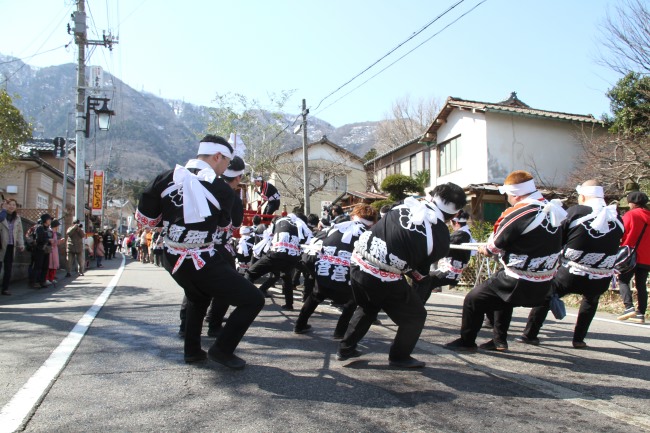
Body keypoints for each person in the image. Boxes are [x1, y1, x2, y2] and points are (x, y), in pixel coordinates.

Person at [136, 134, 264, 370]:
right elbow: (225, 228)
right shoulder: (222, 191)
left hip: (170, 256)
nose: (226, 168)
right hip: (201, 258)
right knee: (253, 300)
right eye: (226, 162)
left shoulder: (164, 179)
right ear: (217, 156)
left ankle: (193, 351)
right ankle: (222, 349)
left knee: (197, 295)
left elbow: (149, 222)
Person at [337, 183, 467, 368]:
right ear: (455, 214)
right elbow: (419, 272)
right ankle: (399, 357)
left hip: (357, 264)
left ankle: (345, 349)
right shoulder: (440, 237)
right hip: (382, 277)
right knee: (415, 316)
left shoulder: (404, 204)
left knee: (368, 307)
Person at [445, 170, 566, 352]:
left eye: (508, 194)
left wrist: (485, 249)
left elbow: (494, 246)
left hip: (517, 278)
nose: (507, 198)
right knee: (501, 298)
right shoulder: (554, 210)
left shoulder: (519, 212)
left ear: (515, 194)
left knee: (473, 299)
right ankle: (499, 341)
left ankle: (467, 341)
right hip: (546, 281)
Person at [518, 180, 624, 347]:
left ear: (582, 196)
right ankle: (579, 339)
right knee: (591, 300)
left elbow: (557, 237)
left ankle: (530, 334)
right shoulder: (616, 216)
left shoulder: (575, 212)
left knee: (547, 294)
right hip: (602, 277)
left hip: (572, 274)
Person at [294, 204, 378, 338]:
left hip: (323, 271)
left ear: (353, 216)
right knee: (352, 302)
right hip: (345, 280)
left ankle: (299, 324)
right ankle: (339, 332)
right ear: (373, 221)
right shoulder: (369, 235)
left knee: (315, 296)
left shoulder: (337, 227)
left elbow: (316, 242)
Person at [245, 212, 312, 310]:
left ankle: (246, 298)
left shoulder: (280, 220)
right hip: (292, 257)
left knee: (250, 273)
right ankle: (289, 304)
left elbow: (269, 234)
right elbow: (305, 242)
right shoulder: (301, 226)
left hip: (276, 253)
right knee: (286, 277)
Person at [416, 210, 475, 302]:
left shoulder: (461, 234)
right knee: (426, 279)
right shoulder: (465, 233)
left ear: (454, 222)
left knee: (425, 279)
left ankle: (417, 305)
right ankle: (418, 304)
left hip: (450, 272)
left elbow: (442, 244)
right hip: (449, 269)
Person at [616, 191, 650, 324]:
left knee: (623, 280)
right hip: (647, 256)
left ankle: (629, 307)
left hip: (631, 255)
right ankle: (641, 313)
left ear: (632, 203)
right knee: (641, 285)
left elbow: (621, 232)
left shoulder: (630, 215)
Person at [0, 199, 25, 295]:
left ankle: (5, 288)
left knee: (8, 268)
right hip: (1, 245)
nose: (12, 206)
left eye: (14, 205)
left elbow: (20, 232)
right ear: (5, 205)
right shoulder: (2, 215)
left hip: (11, 246)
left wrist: (21, 244)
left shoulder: (17, 218)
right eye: (10, 204)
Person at [31, 213, 53, 289]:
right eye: (49, 219)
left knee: (45, 266)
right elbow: (38, 239)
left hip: (46, 250)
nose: (50, 221)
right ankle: (36, 282)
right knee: (38, 266)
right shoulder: (39, 228)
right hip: (39, 249)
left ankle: (42, 281)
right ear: (45, 220)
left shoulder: (48, 229)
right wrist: (48, 240)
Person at [46, 219, 65, 285]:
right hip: (51, 250)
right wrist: (60, 241)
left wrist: (58, 241)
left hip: (54, 250)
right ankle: (48, 278)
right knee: (50, 265)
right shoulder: (50, 232)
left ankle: (51, 278)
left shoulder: (54, 232)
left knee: (53, 265)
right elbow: (51, 241)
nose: (58, 227)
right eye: (57, 226)